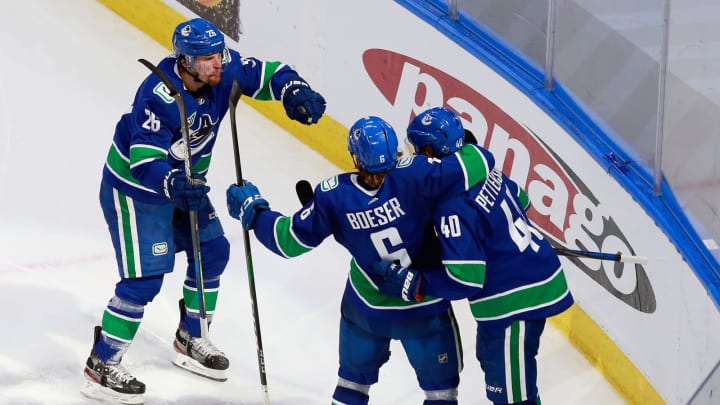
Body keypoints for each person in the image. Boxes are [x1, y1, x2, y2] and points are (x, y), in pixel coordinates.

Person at [81, 17, 326, 404]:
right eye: (207, 58)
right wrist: (171, 184)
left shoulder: (224, 71)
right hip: (137, 191)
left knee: (213, 251)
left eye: (219, 55)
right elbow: (144, 160)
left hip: (186, 186)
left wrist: (294, 91)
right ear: (185, 61)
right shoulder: (157, 94)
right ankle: (102, 363)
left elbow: (270, 74)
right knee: (143, 282)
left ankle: (192, 336)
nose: (218, 63)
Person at [225, 116, 496, 405]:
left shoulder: (333, 195)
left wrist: (253, 212)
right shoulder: (417, 174)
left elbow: (287, 241)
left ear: (355, 157)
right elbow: (479, 163)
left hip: (365, 310)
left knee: (351, 387)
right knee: (441, 394)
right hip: (423, 309)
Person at [372, 107, 575, 405]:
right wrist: (496, 234)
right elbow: (522, 200)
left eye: (419, 149)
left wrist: (415, 284)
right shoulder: (481, 166)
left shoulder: (451, 207)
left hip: (515, 300)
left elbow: (465, 280)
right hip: (525, 279)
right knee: (493, 366)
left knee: (514, 397)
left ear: (429, 150)